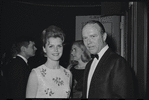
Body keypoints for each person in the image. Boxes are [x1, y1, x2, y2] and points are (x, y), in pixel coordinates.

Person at [81, 20, 135, 98]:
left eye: (93, 36)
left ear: (104, 37)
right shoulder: (89, 64)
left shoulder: (118, 62)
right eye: (85, 38)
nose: (88, 42)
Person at [26, 25, 72, 98]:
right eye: (51, 46)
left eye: (59, 46)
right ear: (44, 49)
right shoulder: (36, 74)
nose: (56, 50)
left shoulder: (68, 74)